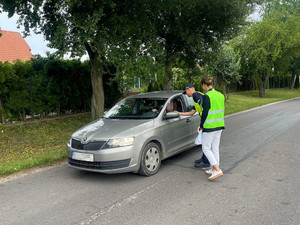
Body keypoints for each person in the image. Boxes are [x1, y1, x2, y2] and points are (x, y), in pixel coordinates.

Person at [179, 84, 210, 169]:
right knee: (204, 141)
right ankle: (204, 158)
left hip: (206, 120)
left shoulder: (196, 95)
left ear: (189, 89)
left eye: (186, 92)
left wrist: (202, 124)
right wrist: (179, 113)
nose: (187, 95)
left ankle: (206, 161)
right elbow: (192, 113)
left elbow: (205, 108)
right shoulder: (196, 96)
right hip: (205, 119)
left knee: (206, 143)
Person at [200, 76, 225, 181]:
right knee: (215, 148)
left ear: (204, 85)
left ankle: (217, 168)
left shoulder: (207, 96)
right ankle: (213, 169)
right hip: (219, 125)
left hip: (210, 126)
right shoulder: (220, 95)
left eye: (203, 86)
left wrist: (201, 125)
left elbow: (204, 113)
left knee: (206, 148)